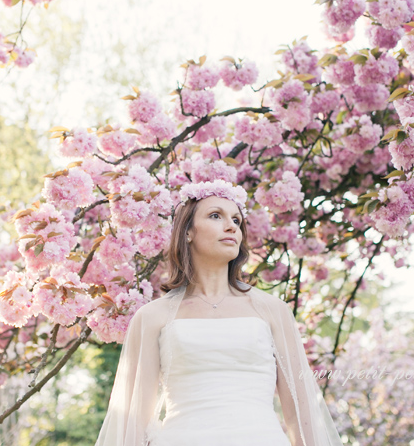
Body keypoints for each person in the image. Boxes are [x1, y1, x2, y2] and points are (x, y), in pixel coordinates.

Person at [95, 180, 344, 446]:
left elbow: (300, 411)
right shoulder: (152, 316)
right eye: (216, 216)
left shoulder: (273, 311)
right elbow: (134, 420)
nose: (231, 227)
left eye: (237, 221)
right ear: (188, 231)